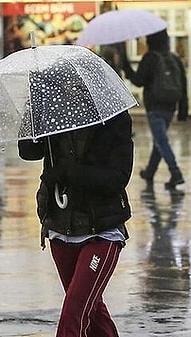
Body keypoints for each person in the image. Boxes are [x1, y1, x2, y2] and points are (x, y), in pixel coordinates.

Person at [18, 110, 133, 337]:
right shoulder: (54, 111)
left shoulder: (115, 117)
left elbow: (118, 177)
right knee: (93, 312)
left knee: (75, 312)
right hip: (61, 229)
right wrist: (31, 113)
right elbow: (28, 152)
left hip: (102, 230)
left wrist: (67, 173)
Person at [122, 29, 188, 188]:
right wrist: (183, 108)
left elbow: (138, 81)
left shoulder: (150, 58)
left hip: (155, 106)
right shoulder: (174, 58)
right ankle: (150, 172)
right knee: (160, 139)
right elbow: (183, 84)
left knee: (161, 140)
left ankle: (175, 172)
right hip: (170, 107)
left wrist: (126, 66)